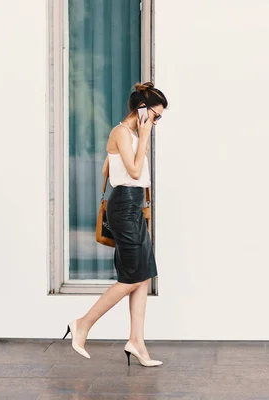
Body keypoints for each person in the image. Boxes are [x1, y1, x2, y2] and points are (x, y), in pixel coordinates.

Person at [63, 82, 168, 367]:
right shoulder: (122, 132)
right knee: (131, 277)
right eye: (155, 116)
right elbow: (133, 171)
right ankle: (82, 324)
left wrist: (136, 141)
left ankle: (137, 342)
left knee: (143, 276)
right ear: (142, 109)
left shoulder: (131, 135)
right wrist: (144, 137)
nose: (156, 122)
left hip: (134, 206)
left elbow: (116, 168)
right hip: (123, 207)